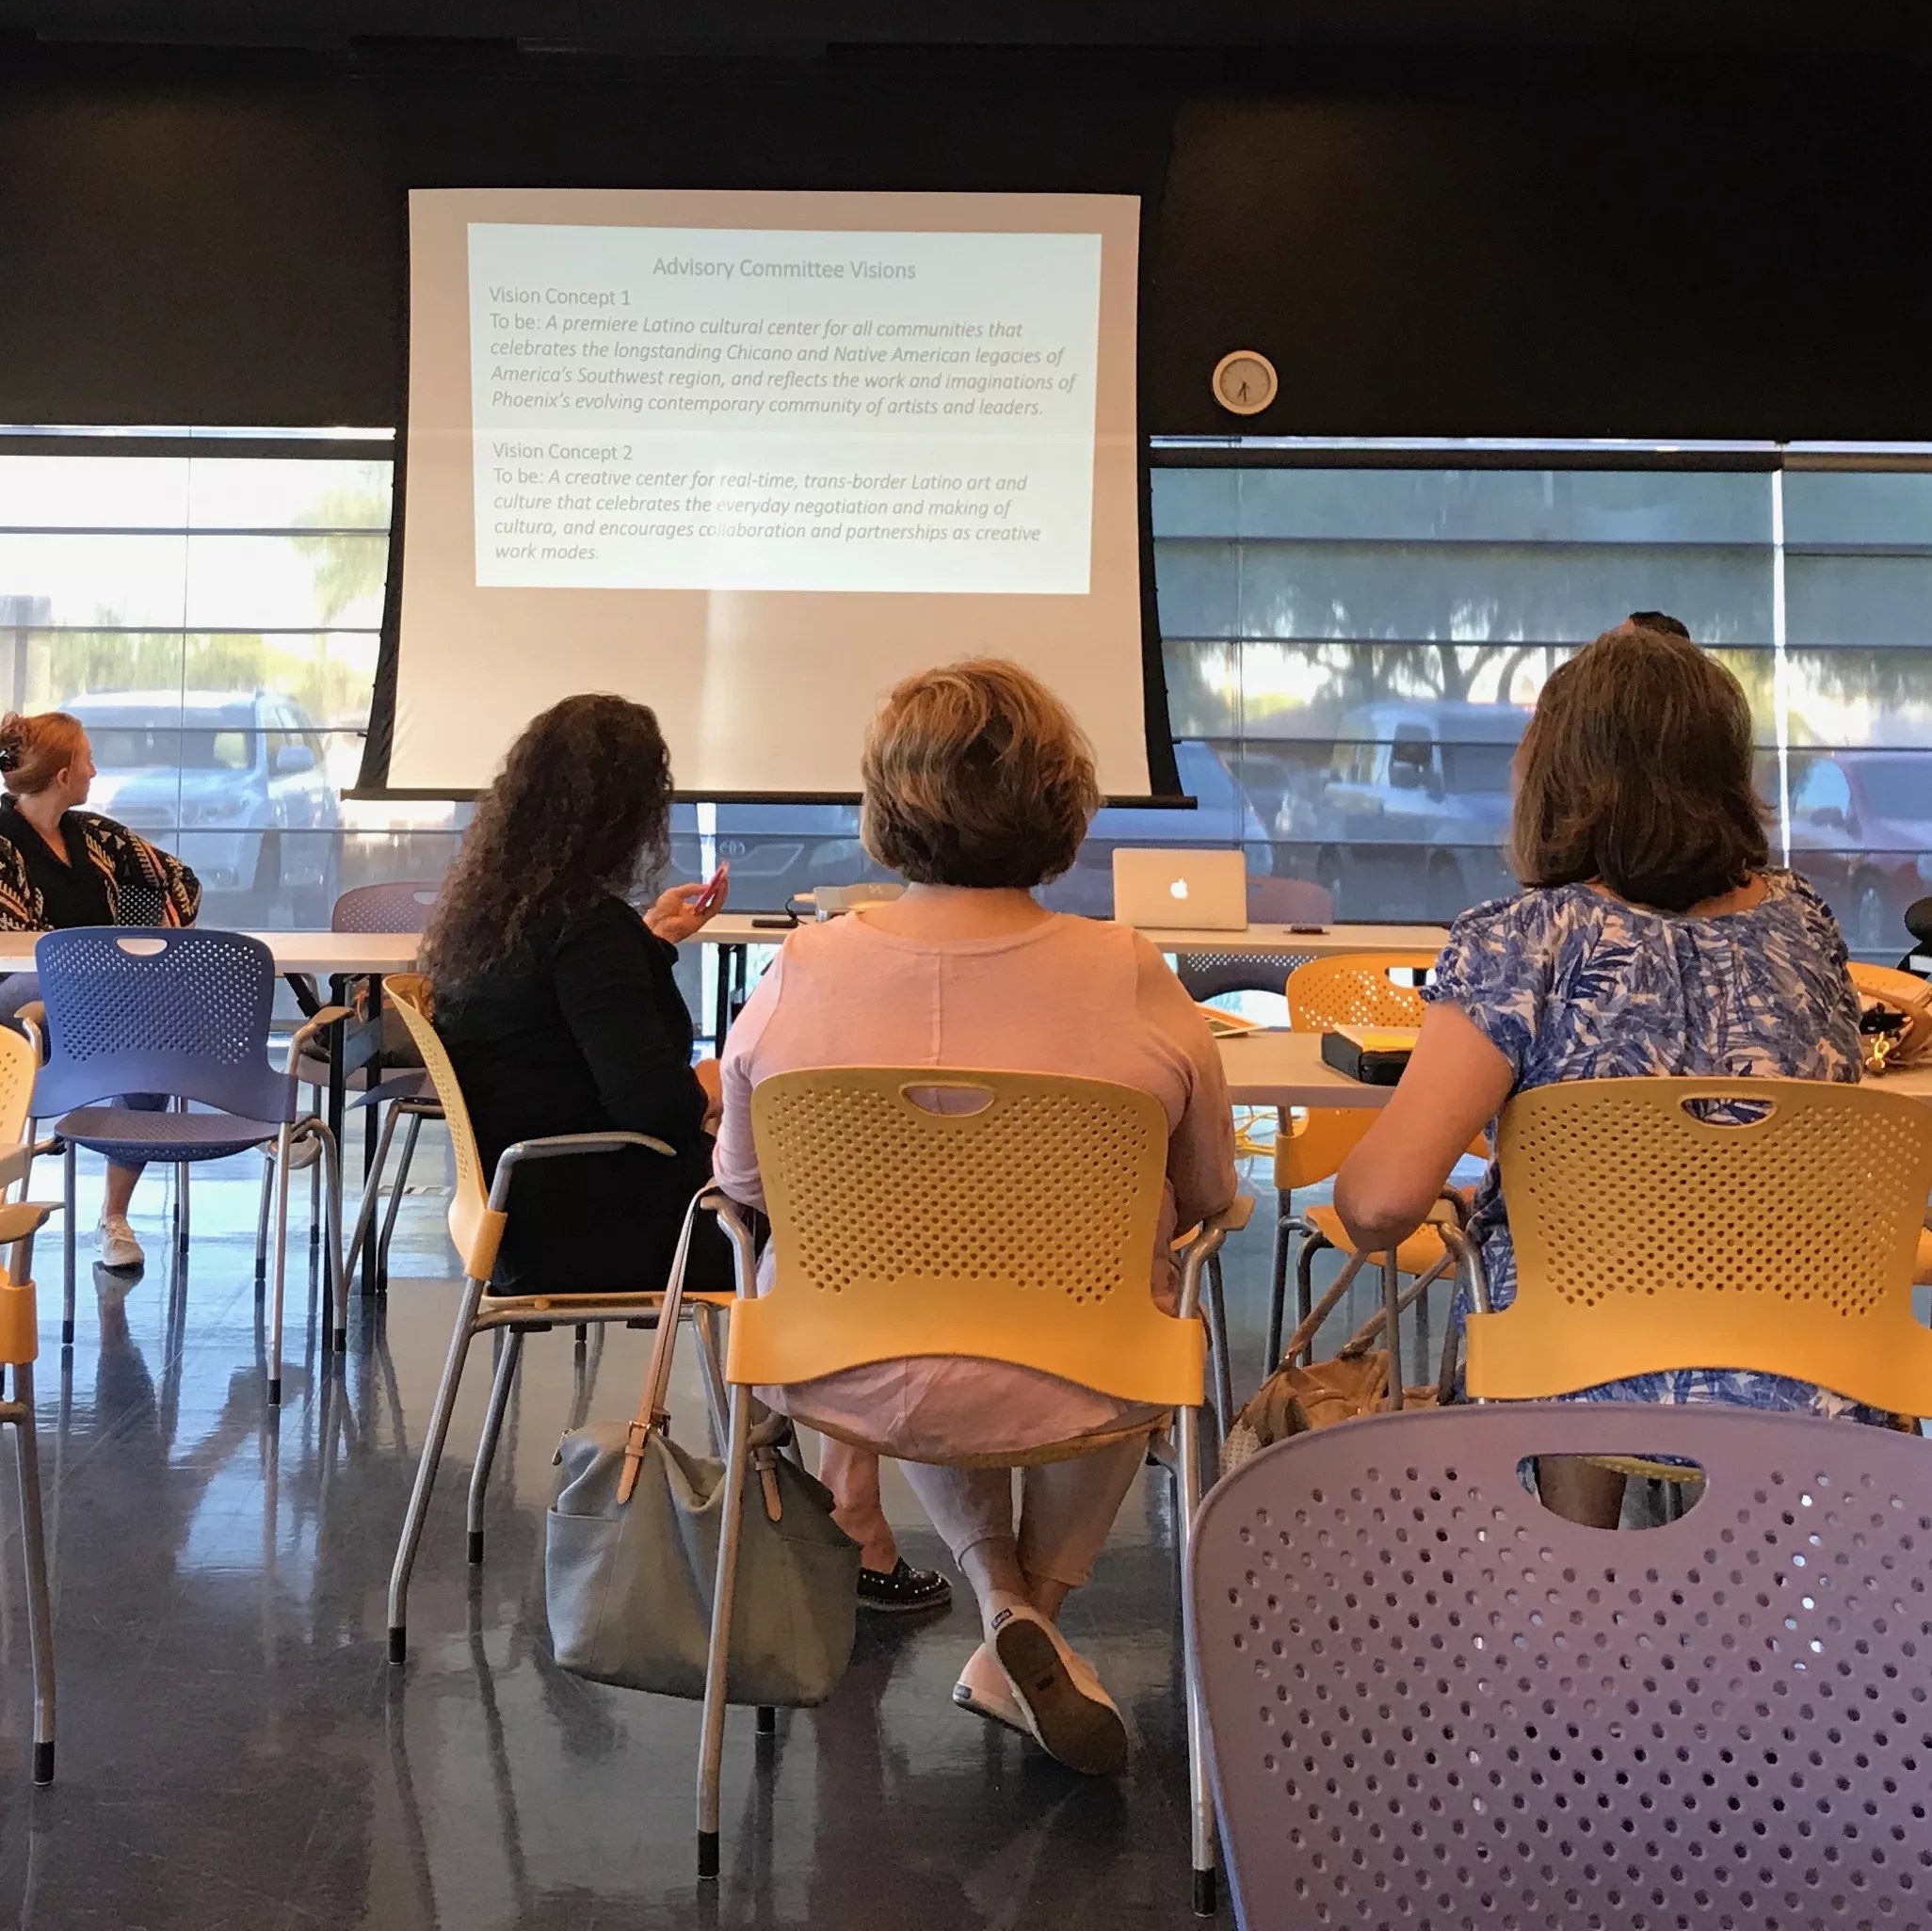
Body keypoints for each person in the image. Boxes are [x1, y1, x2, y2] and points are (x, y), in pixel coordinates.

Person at [714, 660, 1236, 1775]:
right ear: (1061, 800)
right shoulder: (1129, 971)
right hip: (1085, 1371)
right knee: (1137, 1298)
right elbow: (1207, 1196)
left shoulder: (803, 967)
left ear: (883, 805)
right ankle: (1025, 1619)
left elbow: (744, 1188)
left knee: (937, 1308)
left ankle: (1003, 1604)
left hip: (842, 1367)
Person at [1334, 623, 1872, 1531]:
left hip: (1574, 1360)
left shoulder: (1523, 942)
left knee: (1549, 1269)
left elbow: (1382, 1206)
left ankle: (1570, 1592)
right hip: (1803, 1366)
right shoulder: (1803, 924)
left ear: (1558, 772)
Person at [419, 694, 731, 1299]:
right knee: (814, 1221)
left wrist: (650, 943)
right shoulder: (589, 928)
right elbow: (655, 1109)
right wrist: (712, 1088)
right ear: (628, 816)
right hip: (599, 1224)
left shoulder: (492, 919)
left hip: (519, 1214)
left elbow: (559, 1024)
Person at [0, 709, 201, 1271]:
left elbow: (180, 880)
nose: (95, 769)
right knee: (63, 978)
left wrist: (156, 940)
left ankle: (114, 1216)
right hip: (14, 1009)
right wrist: (117, 968)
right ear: (63, 774)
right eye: (87, 759)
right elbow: (16, 949)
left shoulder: (98, 836)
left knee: (154, 1037)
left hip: (104, 1003)